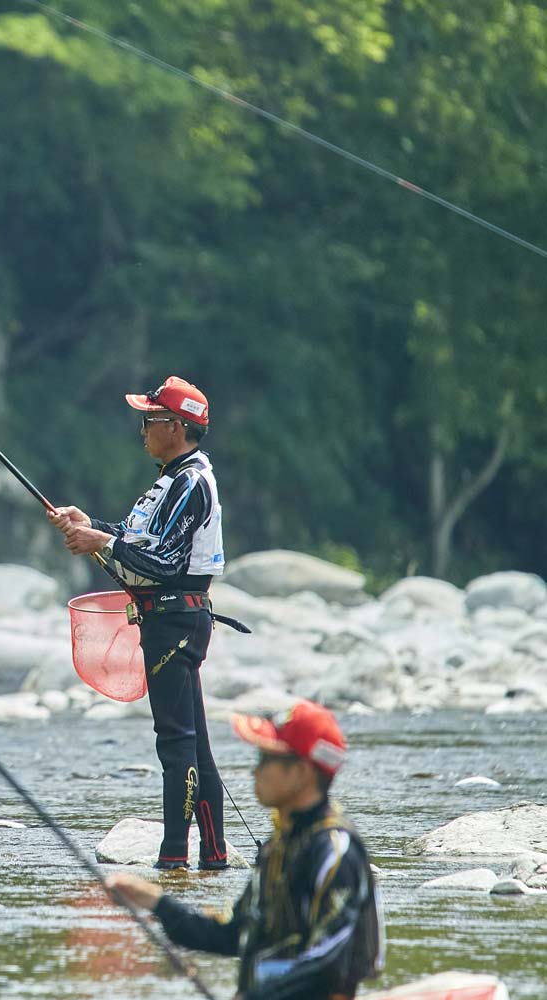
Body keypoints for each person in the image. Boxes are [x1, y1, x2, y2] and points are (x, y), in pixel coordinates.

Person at [50, 375, 228, 869]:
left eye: (149, 420)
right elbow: (138, 541)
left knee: (176, 742)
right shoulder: (173, 478)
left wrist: (101, 543)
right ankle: (212, 858)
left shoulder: (191, 482)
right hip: (169, 620)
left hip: (175, 621)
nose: (142, 430)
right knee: (195, 743)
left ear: (176, 426)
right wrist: (92, 527)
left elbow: (166, 564)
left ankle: (173, 860)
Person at [104, 700, 384, 1000]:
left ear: (302, 772)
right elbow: (233, 934)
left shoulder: (335, 852)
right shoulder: (280, 846)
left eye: (266, 758)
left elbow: (328, 962)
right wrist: (155, 902)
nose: (255, 770)